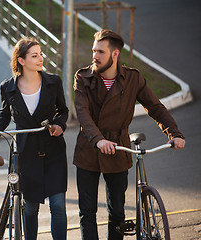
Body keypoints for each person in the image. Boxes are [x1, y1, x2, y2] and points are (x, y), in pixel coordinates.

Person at [73, 29, 185, 240]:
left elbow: (155, 107)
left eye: (100, 52)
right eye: (93, 51)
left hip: (118, 148)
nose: (94, 56)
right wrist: (98, 140)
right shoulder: (83, 78)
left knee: (117, 212)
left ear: (115, 54)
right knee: (87, 212)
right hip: (89, 149)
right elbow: (82, 113)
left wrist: (174, 133)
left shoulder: (133, 78)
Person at [0, 37, 69, 239]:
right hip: (25, 153)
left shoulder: (53, 82)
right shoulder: (8, 87)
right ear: (21, 60)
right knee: (30, 209)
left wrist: (59, 125)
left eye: (41, 54)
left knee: (58, 206)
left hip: (53, 149)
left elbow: (63, 111)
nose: (40, 59)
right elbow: (4, 115)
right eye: (34, 55)